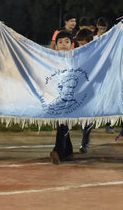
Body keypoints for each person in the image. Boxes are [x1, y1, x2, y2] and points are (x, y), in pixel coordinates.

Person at [50, 31, 75, 164]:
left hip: (70, 99)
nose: (64, 45)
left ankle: (58, 151)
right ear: (56, 45)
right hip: (56, 98)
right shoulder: (52, 59)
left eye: (67, 42)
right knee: (61, 124)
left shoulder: (77, 58)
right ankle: (68, 151)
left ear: (72, 44)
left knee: (63, 124)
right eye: (60, 42)